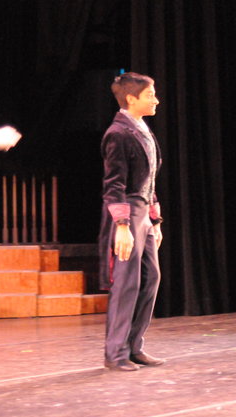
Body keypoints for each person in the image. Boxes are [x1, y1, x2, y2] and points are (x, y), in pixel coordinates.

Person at [98, 72, 165, 371]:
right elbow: (114, 184)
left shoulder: (141, 128)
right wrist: (122, 226)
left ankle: (134, 346)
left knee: (150, 278)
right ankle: (116, 353)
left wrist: (155, 220)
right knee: (126, 282)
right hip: (126, 212)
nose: (156, 100)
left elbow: (148, 180)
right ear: (131, 98)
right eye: (150, 95)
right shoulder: (118, 133)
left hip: (142, 212)